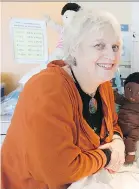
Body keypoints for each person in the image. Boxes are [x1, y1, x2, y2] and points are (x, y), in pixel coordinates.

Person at [1, 8, 125, 189]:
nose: (112, 55)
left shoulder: (103, 84)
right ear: (74, 48)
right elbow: (59, 170)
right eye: (99, 45)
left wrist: (118, 142)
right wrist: (107, 157)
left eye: (115, 46)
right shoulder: (48, 87)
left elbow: (111, 124)